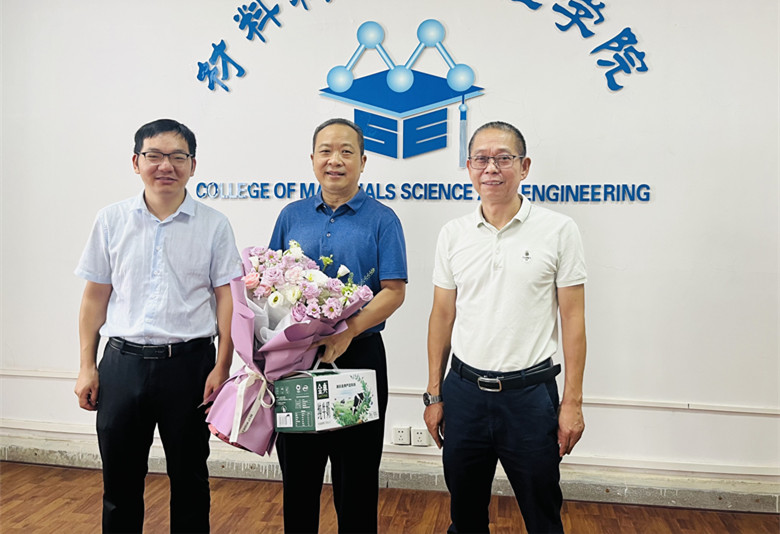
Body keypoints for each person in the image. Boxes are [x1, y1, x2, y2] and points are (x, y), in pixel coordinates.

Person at [74, 118, 243, 533]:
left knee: (190, 479)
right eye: (154, 156)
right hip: (121, 365)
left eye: (177, 157)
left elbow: (228, 299)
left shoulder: (214, 225)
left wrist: (223, 366)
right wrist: (86, 365)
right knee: (119, 483)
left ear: (193, 165)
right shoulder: (111, 220)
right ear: (136, 162)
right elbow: (95, 298)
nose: (165, 165)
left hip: (190, 366)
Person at [424, 121, 587, 534]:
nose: (491, 168)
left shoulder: (559, 230)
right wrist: (434, 393)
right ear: (469, 167)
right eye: (481, 159)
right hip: (464, 395)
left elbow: (573, 319)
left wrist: (572, 402)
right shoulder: (453, 234)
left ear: (524, 166)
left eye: (503, 158)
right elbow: (442, 315)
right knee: (465, 516)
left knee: (542, 515)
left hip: (530, 397)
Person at [268, 118, 407, 533]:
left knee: (357, 478)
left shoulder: (382, 219)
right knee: (299, 476)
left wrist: (350, 330)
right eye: (326, 151)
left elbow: (394, 290)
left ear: (363, 161)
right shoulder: (291, 215)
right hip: (297, 361)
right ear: (312, 159)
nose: (335, 160)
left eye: (347, 151)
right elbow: (270, 282)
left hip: (358, 358)